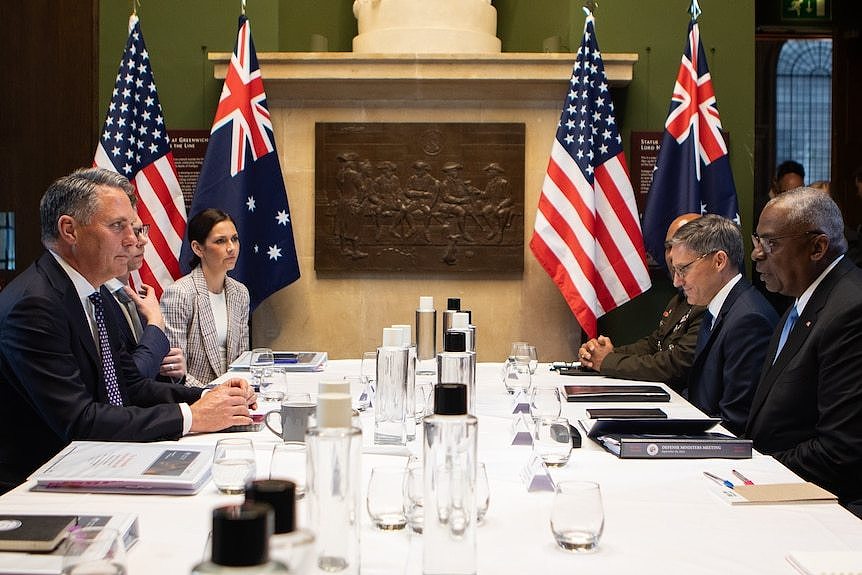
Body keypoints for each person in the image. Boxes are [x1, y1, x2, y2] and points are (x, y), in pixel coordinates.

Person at [0, 168, 256, 489]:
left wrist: (209, 395)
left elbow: (130, 387)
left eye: (132, 226)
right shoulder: (35, 305)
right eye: (118, 226)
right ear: (70, 230)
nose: (134, 239)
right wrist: (193, 416)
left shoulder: (97, 293)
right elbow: (80, 421)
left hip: (97, 464)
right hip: (37, 486)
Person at [746, 187, 862, 517]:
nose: (756, 255)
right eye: (758, 241)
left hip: (824, 511)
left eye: (771, 243)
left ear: (817, 247)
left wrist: (755, 471)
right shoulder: (802, 301)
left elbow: (840, 450)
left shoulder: (850, 310)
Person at [669, 215, 778, 435]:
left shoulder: (749, 320)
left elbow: (734, 421)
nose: (677, 282)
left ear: (719, 261)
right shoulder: (717, 308)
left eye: (683, 270)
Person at [578, 213, 706, 391]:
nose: (671, 255)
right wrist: (603, 353)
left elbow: (674, 366)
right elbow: (655, 344)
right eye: (668, 247)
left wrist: (607, 361)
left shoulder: (705, 300)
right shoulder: (680, 297)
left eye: (679, 246)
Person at [161, 208, 250, 388]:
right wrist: (211, 395)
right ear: (197, 248)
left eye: (234, 239)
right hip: (193, 398)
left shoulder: (240, 292)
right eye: (220, 241)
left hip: (232, 396)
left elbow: (242, 359)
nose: (231, 248)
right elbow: (175, 371)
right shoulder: (179, 293)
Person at [103, 215, 187, 381]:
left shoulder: (137, 295)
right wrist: (155, 322)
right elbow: (130, 381)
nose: (143, 240)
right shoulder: (98, 299)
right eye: (135, 232)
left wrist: (174, 374)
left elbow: (151, 370)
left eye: (141, 230)